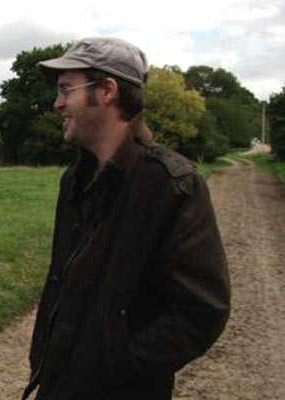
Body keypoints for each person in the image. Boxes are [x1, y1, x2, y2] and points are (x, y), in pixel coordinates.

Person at [22, 37, 230, 400]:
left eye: (65, 89)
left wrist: (116, 366)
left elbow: (202, 310)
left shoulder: (173, 184)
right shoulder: (74, 179)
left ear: (107, 90)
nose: (57, 103)